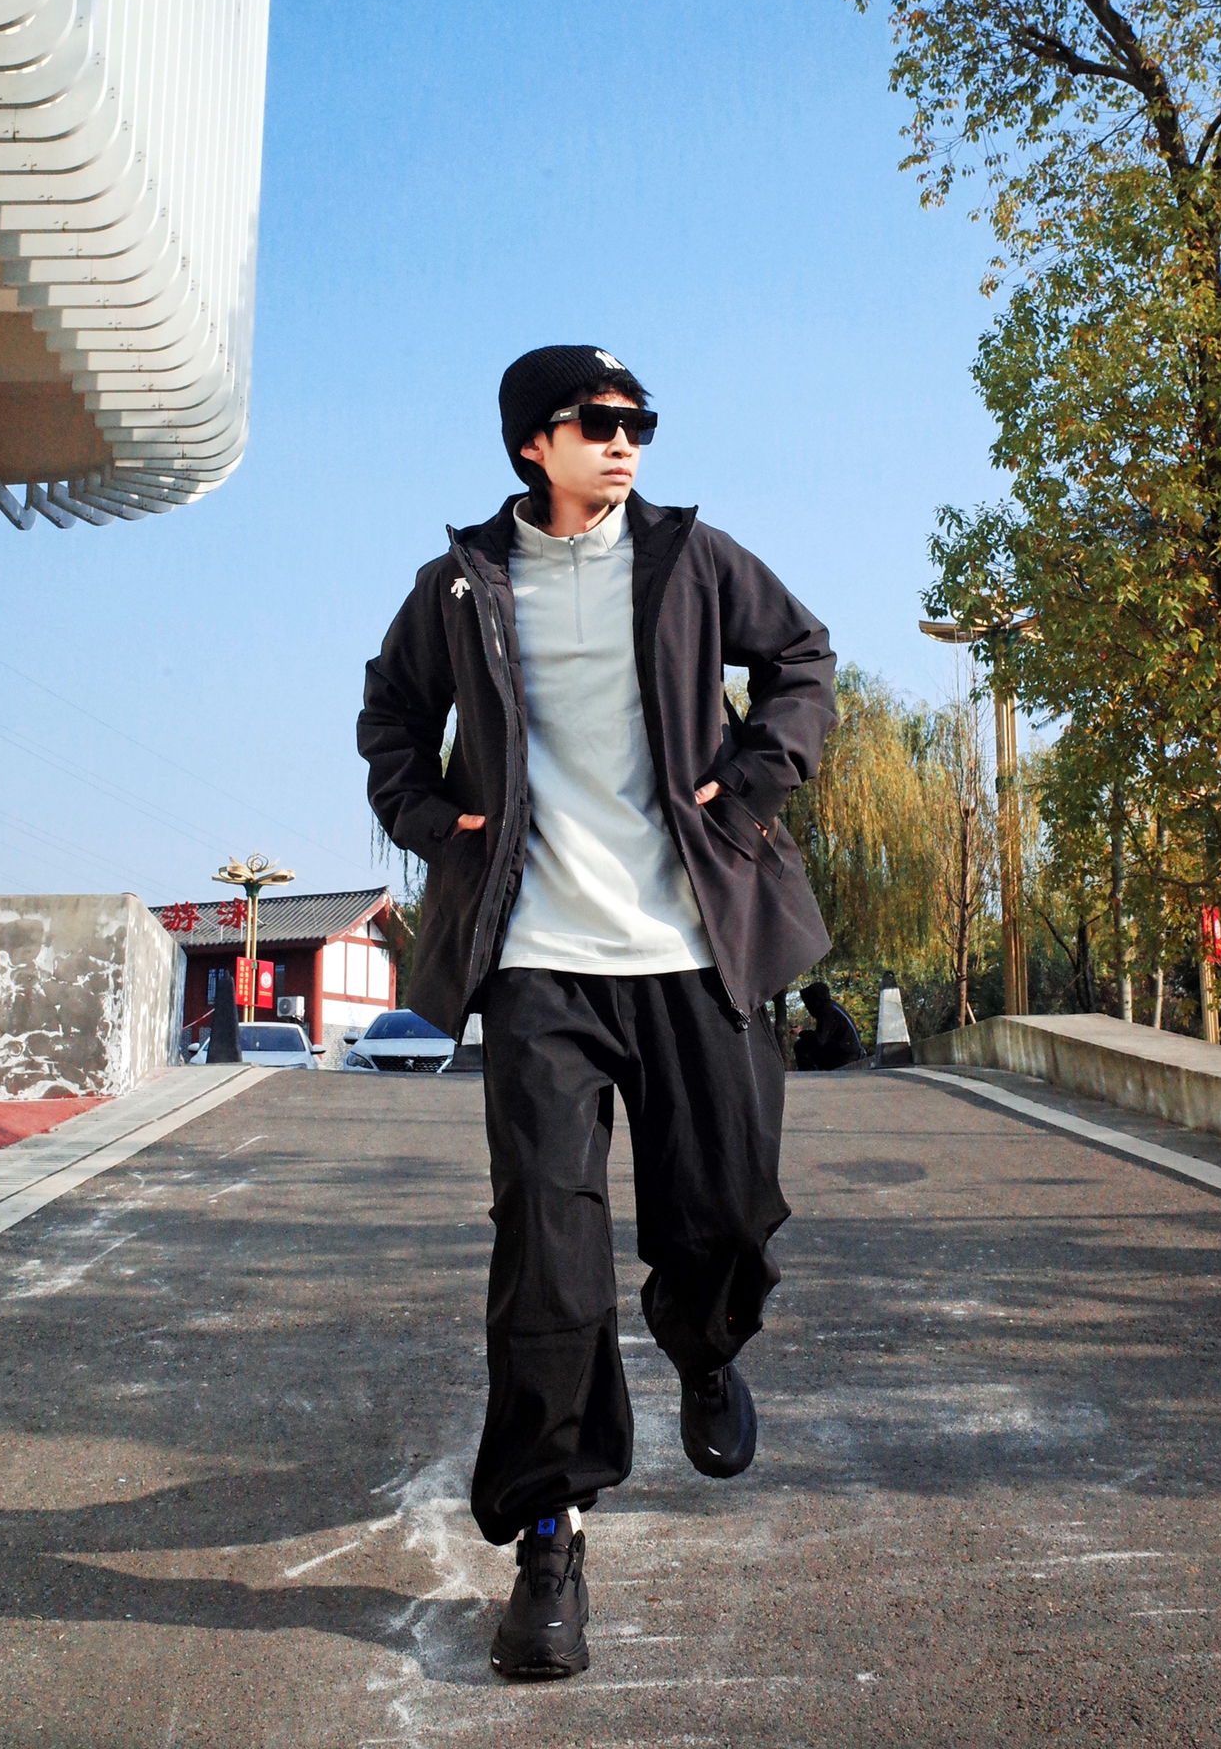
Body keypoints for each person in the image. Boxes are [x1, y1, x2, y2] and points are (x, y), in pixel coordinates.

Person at [357, 344, 837, 1679]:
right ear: (534, 442)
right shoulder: (461, 585)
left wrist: (751, 782)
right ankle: (548, 1540)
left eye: (640, 422)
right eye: (600, 421)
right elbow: (391, 718)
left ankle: (707, 1342)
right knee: (548, 1262)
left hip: (693, 948)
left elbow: (803, 660)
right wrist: (432, 820)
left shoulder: (693, 561)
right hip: (539, 962)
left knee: (725, 1211)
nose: (627, 441)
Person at [792, 980, 865, 1071]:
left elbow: (818, 1040)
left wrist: (801, 1033)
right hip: (850, 1052)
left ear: (815, 1001)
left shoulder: (828, 1011)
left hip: (846, 1056)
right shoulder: (833, 1007)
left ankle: (810, 1075)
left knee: (801, 1046)